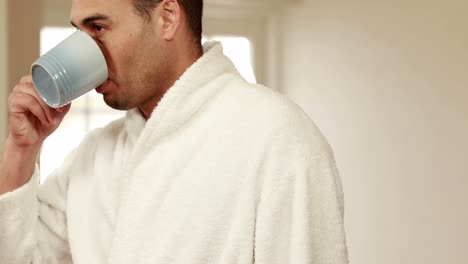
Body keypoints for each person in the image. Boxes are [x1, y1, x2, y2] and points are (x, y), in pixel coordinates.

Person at [0, 0, 349, 263]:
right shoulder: (92, 156)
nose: (86, 48)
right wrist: (21, 149)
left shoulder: (276, 137)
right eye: (79, 32)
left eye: (99, 28)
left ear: (167, 18)